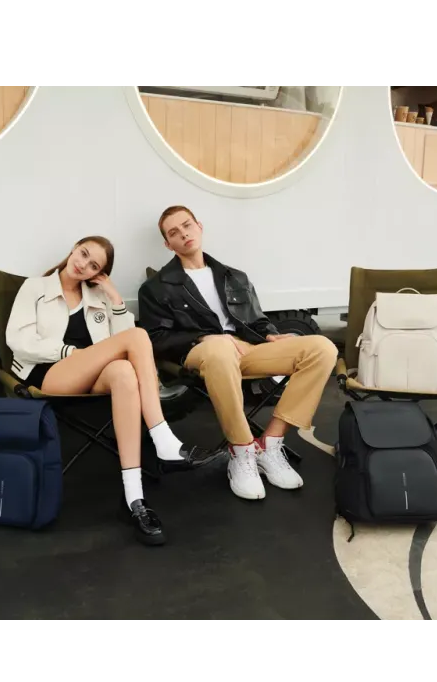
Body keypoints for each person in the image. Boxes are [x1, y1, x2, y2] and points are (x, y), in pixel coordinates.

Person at [6, 235, 221, 546]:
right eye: (83, 254)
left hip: (91, 375)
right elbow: (18, 340)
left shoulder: (97, 296)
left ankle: (135, 500)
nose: (83, 265)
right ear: (73, 249)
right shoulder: (35, 287)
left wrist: (115, 299)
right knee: (137, 337)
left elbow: (123, 345)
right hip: (48, 376)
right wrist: (69, 353)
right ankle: (163, 438)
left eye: (94, 265)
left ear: (99, 273)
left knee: (123, 372)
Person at [138, 207, 338, 501]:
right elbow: (156, 339)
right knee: (220, 347)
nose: (183, 234)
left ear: (199, 226)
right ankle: (241, 450)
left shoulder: (234, 277)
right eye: (174, 233)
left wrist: (269, 334)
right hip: (200, 352)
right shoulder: (156, 288)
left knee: (322, 348)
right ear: (168, 244)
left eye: (187, 225)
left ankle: (270, 444)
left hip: (244, 350)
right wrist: (204, 337)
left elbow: (255, 320)